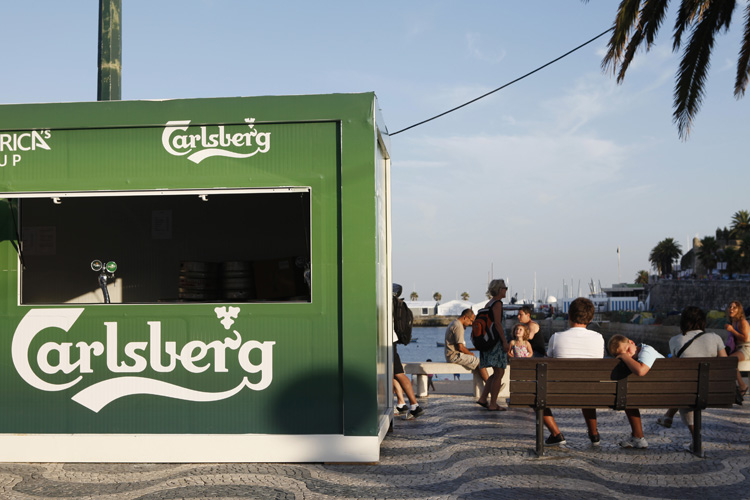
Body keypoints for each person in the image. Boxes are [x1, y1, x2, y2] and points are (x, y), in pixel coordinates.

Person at [543, 297, 604, 446]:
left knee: (535, 395)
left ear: (569, 315)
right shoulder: (599, 338)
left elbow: (548, 360)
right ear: (590, 318)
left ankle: (556, 434)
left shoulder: (556, 338)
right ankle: (593, 433)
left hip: (561, 392)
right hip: (592, 391)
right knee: (587, 386)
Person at [656, 306, 726, 431]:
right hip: (714, 390)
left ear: (683, 322)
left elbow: (675, 369)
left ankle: (693, 435)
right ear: (703, 321)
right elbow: (725, 364)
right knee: (687, 388)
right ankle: (669, 416)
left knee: (685, 390)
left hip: (688, 389)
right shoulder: (715, 337)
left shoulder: (675, 340)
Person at [608, 334, 665, 449]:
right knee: (627, 397)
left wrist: (623, 356)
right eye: (624, 353)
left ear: (632, 342)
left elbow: (641, 371)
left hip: (664, 391)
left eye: (627, 349)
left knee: (626, 397)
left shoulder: (647, 350)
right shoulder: (636, 355)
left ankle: (638, 436)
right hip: (666, 391)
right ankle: (637, 437)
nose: (629, 354)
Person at [476, 279, 510, 411]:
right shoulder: (497, 304)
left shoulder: (488, 303)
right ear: (500, 289)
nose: (506, 290)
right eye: (505, 288)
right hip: (496, 342)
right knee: (499, 372)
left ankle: (483, 398)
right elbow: (498, 324)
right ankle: (493, 404)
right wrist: (504, 342)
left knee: (496, 373)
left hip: (488, 341)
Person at [392, 284, 424, 420]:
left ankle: (414, 405)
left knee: (398, 373)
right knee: (394, 373)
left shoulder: (389, 303)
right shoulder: (395, 303)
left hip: (386, 343)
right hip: (391, 341)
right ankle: (402, 403)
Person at [444, 309, 489, 381]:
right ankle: (490, 384)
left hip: (450, 355)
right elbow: (460, 347)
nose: (471, 324)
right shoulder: (458, 326)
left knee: (476, 361)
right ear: (465, 317)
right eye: (471, 321)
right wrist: (470, 354)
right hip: (454, 356)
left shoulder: (454, 322)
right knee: (480, 362)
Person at [725, 301, 750, 394]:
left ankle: (742, 385)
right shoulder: (733, 322)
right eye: (730, 307)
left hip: (746, 348)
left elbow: (745, 338)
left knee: (730, 361)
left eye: (734, 307)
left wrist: (732, 330)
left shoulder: (743, 322)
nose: (731, 309)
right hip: (738, 348)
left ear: (739, 310)